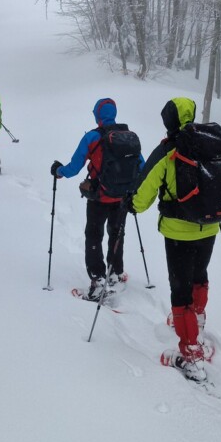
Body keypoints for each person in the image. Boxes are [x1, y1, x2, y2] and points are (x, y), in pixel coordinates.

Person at [130, 97, 217, 381]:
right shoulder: (210, 141)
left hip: (178, 230)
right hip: (210, 226)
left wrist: (132, 205)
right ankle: (198, 324)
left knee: (180, 290)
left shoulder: (168, 149)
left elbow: (145, 192)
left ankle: (190, 355)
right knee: (199, 276)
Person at [50, 98, 143, 299]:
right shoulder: (129, 137)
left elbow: (74, 167)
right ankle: (116, 272)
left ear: (97, 115)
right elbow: (141, 166)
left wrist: (59, 171)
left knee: (94, 235)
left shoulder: (93, 137)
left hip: (99, 197)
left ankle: (98, 279)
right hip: (122, 198)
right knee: (117, 234)